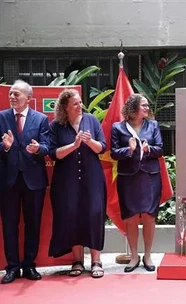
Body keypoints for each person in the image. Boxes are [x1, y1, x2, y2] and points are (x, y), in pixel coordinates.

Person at [48, 89, 107, 279]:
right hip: (67, 180)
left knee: (94, 213)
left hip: (92, 177)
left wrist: (89, 142)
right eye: (75, 104)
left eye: (80, 102)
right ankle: (77, 260)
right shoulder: (56, 126)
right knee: (72, 214)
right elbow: (53, 153)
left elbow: (102, 147)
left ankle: (96, 260)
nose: (79, 106)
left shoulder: (91, 120)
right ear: (65, 107)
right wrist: (74, 145)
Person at [0, 80, 49, 284]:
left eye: (16, 94)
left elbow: (48, 146)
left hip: (33, 181)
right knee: (9, 225)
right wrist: (5, 147)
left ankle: (29, 265)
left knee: (33, 224)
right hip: (8, 181)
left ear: (29, 98)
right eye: (11, 94)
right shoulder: (1, 117)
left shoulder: (41, 119)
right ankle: (12, 267)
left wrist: (38, 149)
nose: (12, 97)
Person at [111, 94, 164, 273]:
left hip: (150, 177)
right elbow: (113, 153)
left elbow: (160, 149)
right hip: (128, 177)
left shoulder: (153, 125)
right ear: (133, 108)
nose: (147, 108)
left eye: (147, 106)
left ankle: (147, 255)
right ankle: (134, 256)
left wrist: (149, 149)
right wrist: (129, 149)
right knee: (130, 217)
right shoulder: (118, 128)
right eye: (144, 105)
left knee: (150, 216)